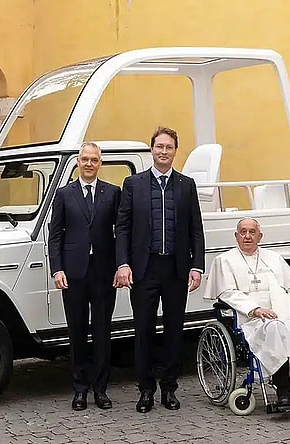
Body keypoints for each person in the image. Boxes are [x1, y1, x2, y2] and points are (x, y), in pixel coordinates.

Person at [114, 126, 205, 413]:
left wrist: (197, 266)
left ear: (175, 151)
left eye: (169, 147)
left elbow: (196, 230)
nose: (163, 151)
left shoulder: (186, 185)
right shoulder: (133, 184)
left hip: (176, 269)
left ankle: (169, 388)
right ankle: (145, 390)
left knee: (174, 331)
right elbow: (123, 228)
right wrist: (123, 262)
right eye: (159, 146)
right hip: (144, 269)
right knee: (143, 331)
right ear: (151, 150)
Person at [204, 218, 290, 406]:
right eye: (243, 232)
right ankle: (283, 389)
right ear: (236, 236)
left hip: (282, 312)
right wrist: (255, 309)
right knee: (274, 328)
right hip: (250, 318)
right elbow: (227, 293)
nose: (247, 236)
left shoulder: (274, 258)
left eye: (252, 232)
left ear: (260, 236)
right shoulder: (225, 260)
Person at [48, 142, 121, 411]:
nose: (89, 164)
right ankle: (80, 390)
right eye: (85, 159)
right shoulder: (64, 194)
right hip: (73, 273)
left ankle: (100, 389)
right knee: (77, 332)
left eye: (94, 160)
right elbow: (55, 234)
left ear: (100, 163)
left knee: (102, 332)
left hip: (103, 272)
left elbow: (121, 232)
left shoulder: (113, 193)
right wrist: (57, 268)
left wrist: (121, 265)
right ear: (77, 162)